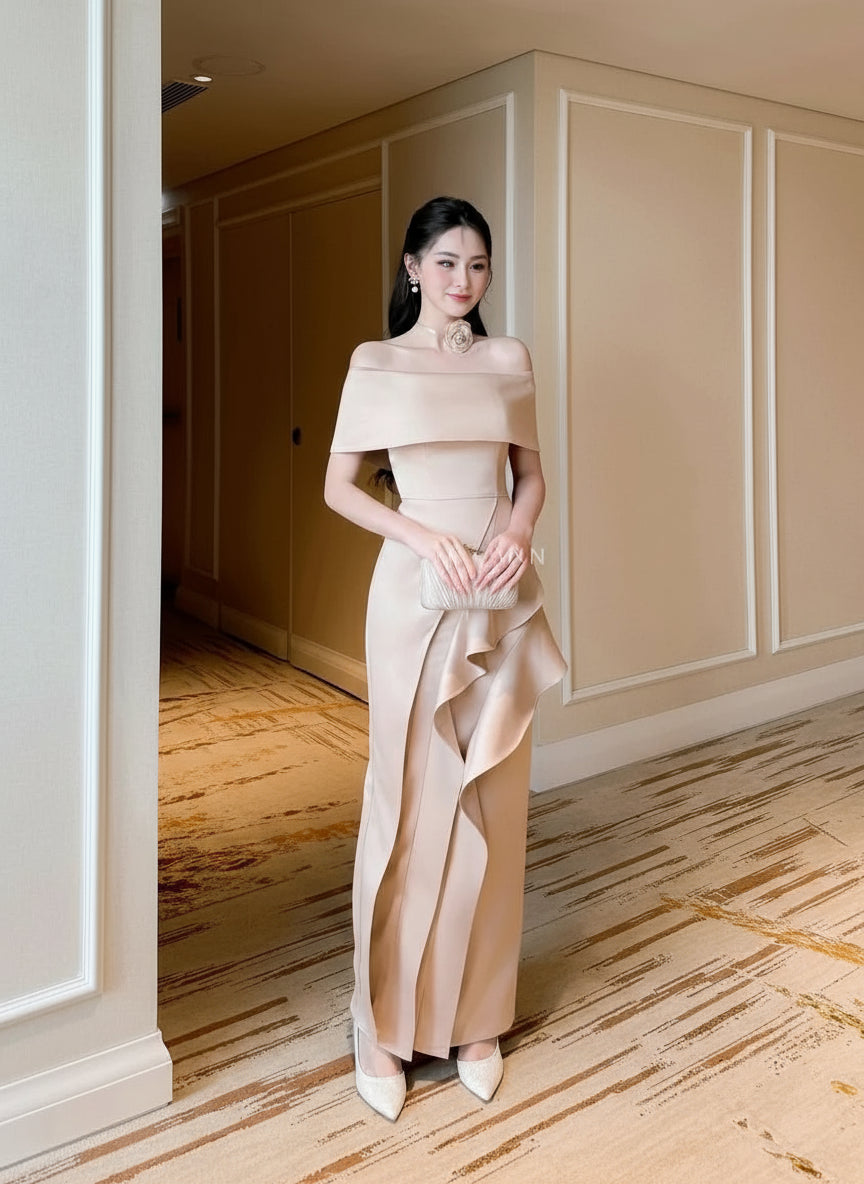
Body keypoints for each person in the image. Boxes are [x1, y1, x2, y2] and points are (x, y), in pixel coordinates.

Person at [324, 195, 566, 1121]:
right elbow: (340, 488)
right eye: (449, 263)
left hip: (500, 598)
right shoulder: (375, 362)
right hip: (413, 599)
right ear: (413, 267)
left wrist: (515, 527)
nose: (465, 282)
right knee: (408, 798)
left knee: (494, 801)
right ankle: (379, 1025)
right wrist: (424, 537)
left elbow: (531, 474)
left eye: (479, 266)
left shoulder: (509, 361)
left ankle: (478, 1021)